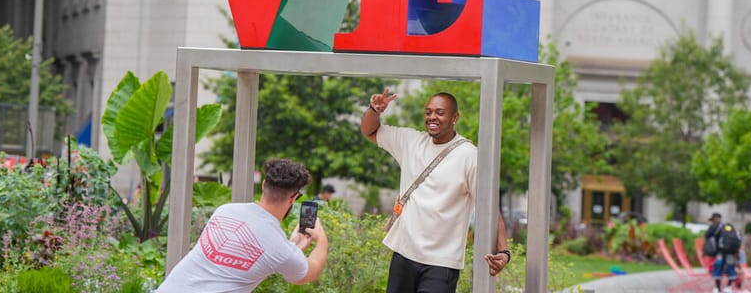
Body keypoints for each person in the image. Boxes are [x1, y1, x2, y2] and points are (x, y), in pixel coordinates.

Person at [361, 87, 510, 293]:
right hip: (404, 254)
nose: (432, 117)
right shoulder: (411, 142)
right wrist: (374, 111)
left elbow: (489, 207)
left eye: (440, 112)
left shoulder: (469, 156)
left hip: (441, 264)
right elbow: (370, 131)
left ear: (454, 117)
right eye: (428, 112)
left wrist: (504, 251)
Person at [157, 157, 329, 292]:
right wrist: (321, 240)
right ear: (293, 198)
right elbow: (308, 273)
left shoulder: (225, 212)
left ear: (263, 185)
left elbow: (241, 258)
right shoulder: (280, 249)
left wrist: (292, 247)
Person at [706, 212, 739, 293]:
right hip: (731, 252)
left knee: (717, 268)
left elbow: (707, 236)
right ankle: (728, 287)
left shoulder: (714, 226)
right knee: (731, 269)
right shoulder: (728, 226)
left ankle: (718, 288)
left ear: (714, 219)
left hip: (720, 252)